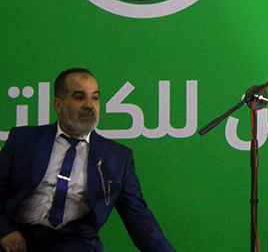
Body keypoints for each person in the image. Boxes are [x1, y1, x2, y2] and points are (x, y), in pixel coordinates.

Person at [0, 68, 176, 252]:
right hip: (16, 235)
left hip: (74, 242)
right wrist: (5, 230)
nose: (89, 105)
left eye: (95, 98)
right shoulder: (24, 140)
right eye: (79, 97)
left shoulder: (116, 157)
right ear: (58, 104)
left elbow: (139, 219)